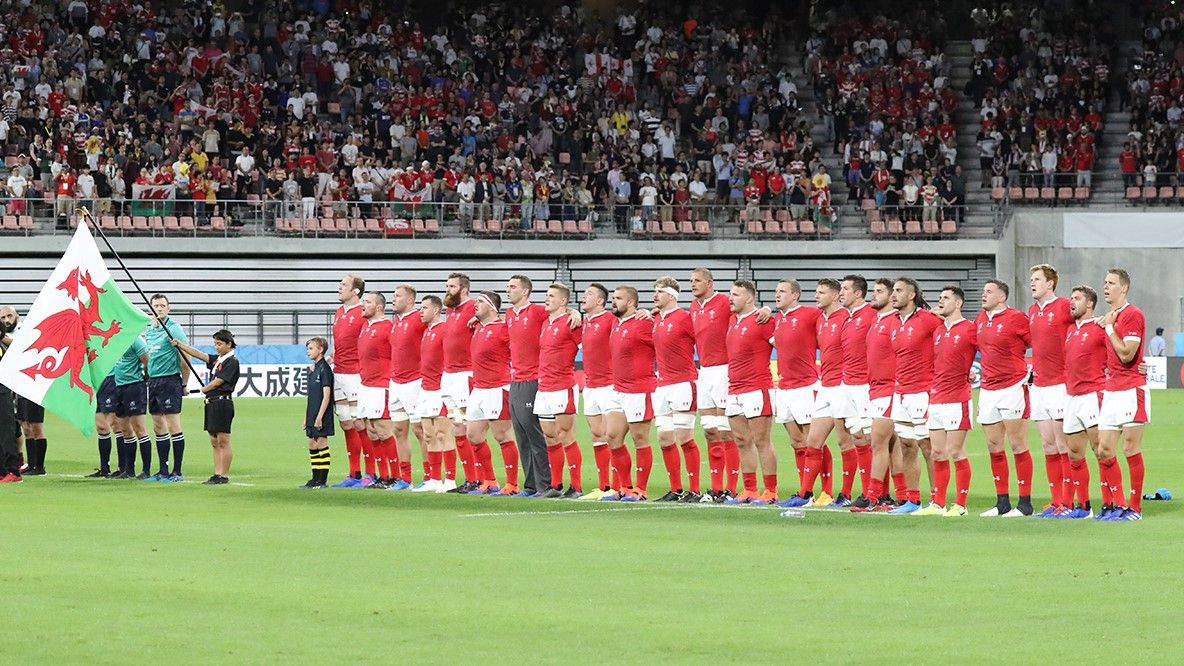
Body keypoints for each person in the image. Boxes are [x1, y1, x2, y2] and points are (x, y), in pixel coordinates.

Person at [915, 286, 977, 516]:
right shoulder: (939, 330)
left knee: (956, 451)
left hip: (958, 398)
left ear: (958, 303)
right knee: (937, 453)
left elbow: (989, 351)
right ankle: (938, 503)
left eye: (946, 298)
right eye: (939, 297)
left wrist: (972, 371)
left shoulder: (970, 329)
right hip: (937, 397)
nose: (940, 301)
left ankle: (960, 504)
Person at [975, 279, 1034, 517]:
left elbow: (1037, 343)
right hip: (988, 389)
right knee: (993, 445)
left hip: (1012, 386)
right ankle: (1002, 503)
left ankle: (1025, 503)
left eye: (989, 291)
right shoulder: (980, 319)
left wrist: (1033, 371)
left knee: (1018, 444)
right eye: (983, 291)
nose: (983, 294)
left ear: (1002, 297)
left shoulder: (1017, 318)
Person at [1095, 268, 1148, 521]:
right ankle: (1118, 505)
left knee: (1129, 448)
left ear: (1124, 287)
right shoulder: (1109, 318)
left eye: (1111, 283)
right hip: (1112, 389)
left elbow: (1127, 354)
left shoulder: (1132, 315)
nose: (1106, 286)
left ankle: (1135, 508)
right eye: (1104, 282)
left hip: (1131, 389)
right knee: (1104, 450)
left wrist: (1109, 328)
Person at [887, 277, 942, 514]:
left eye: (899, 291)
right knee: (906, 445)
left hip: (923, 391)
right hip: (901, 392)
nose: (893, 294)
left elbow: (949, 341)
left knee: (927, 446)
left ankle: (937, 499)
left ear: (911, 295)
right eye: (893, 291)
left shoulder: (929, 320)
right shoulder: (893, 321)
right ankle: (913, 499)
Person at [723, 280, 779, 506]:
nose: (730, 298)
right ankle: (749, 489)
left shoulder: (763, 321)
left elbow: (783, 348)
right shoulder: (732, 320)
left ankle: (771, 491)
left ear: (749, 298)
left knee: (761, 441)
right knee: (741, 440)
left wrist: (767, 309)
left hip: (757, 388)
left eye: (735, 295)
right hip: (734, 388)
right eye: (730, 294)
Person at [851, 279, 903, 512]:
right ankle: (898, 496)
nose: (874, 295)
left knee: (878, 441)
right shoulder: (875, 320)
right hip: (874, 388)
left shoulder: (897, 321)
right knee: (891, 444)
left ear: (892, 296)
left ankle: (872, 496)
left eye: (879, 291)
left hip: (892, 388)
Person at [601, 286, 656, 501]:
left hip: (639, 389)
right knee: (612, 437)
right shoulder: (614, 322)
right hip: (617, 388)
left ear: (631, 302)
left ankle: (640, 490)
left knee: (640, 438)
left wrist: (653, 313)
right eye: (613, 298)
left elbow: (662, 339)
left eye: (618, 298)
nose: (613, 302)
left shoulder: (644, 323)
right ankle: (625, 487)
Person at [1027, 265, 1074, 517]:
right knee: (1047, 445)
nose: (1032, 283)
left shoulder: (1065, 306)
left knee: (1063, 444)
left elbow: (1088, 324)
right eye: (1031, 280)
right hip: (1039, 384)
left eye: (1036, 279)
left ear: (1050, 284)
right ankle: (1056, 502)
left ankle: (1069, 502)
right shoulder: (1033, 311)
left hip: (1060, 383)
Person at [803, 279, 854, 506]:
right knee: (813, 441)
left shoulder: (845, 317)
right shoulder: (818, 319)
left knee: (845, 442)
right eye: (816, 291)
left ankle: (845, 494)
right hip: (825, 385)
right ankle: (805, 494)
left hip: (844, 386)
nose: (816, 296)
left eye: (821, 292)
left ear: (834, 296)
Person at [650, 277, 699, 502]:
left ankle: (695, 490)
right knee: (664, 438)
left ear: (671, 295)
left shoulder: (686, 318)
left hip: (683, 383)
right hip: (662, 385)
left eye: (659, 291)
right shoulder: (655, 319)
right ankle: (676, 489)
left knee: (684, 436)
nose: (655, 295)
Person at [1061, 285, 1107, 519]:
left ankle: (1109, 505)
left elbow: (1119, 355)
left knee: (1100, 450)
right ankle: (1084, 506)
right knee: (1074, 452)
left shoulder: (1100, 328)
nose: (1072, 301)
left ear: (1089, 304)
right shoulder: (1070, 330)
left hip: (1093, 393)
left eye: (1077, 298)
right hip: (1072, 396)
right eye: (1071, 298)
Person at [172, 329, 240, 484]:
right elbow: (199, 354)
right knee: (214, 441)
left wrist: (204, 388)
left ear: (229, 344)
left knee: (223, 440)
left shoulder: (232, 361)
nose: (216, 347)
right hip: (211, 402)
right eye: (215, 343)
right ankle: (217, 473)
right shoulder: (218, 360)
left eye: (219, 344)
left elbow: (219, 381)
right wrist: (180, 345)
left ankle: (224, 475)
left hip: (223, 402)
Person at [534, 283, 584, 498]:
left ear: (563, 301)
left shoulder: (572, 323)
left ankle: (576, 486)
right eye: (546, 295)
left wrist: (576, 313)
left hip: (562, 385)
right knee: (549, 436)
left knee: (566, 435)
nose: (546, 298)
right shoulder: (545, 322)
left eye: (551, 296)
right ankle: (556, 485)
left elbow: (587, 348)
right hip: (543, 386)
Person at [466, 291, 514, 495]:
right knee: (473, 435)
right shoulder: (476, 327)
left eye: (479, 302)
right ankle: (489, 481)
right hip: (478, 388)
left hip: (498, 387)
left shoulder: (504, 328)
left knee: (501, 435)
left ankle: (512, 484)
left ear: (491, 306)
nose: (475, 305)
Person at [835, 275, 877, 504]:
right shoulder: (847, 317)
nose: (841, 293)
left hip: (865, 386)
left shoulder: (871, 314)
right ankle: (867, 491)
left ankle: (878, 492)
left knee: (872, 440)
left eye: (845, 289)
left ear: (858, 293)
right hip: (847, 384)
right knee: (858, 439)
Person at [440, 273, 481, 493]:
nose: (448, 289)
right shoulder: (450, 310)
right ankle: (470, 479)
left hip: (466, 373)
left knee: (470, 427)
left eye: (452, 286)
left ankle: (483, 478)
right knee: (457, 427)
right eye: (447, 285)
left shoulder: (474, 306)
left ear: (464, 289)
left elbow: (497, 317)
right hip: (449, 375)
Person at [413, 296, 458, 493]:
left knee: (442, 433)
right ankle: (434, 479)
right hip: (425, 388)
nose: (420, 312)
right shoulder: (426, 331)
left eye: (424, 308)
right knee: (429, 436)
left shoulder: (444, 330)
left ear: (437, 311)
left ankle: (450, 479)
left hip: (441, 388)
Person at [577, 284, 617, 500]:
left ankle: (618, 485)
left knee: (612, 435)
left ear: (600, 301)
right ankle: (604, 486)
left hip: (609, 384)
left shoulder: (610, 319)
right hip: (590, 385)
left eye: (589, 294)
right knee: (596, 435)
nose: (584, 297)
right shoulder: (583, 323)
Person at [503, 276, 543, 495]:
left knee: (533, 431)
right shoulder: (509, 315)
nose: (508, 290)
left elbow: (560, 316)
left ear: (526, 291)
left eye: (512, 287)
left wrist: (574, 312)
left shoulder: (537, 312)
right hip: (515, 379)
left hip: (533, 377)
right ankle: (530, 484)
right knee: (521, 434)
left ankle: (542, 483)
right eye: (508, 286)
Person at [144, 294, 191, 482]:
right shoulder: (149, 331)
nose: (159, 308)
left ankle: (177, 471)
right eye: (156, 305)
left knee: (173, 425)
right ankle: (162, 470)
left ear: (169, 308)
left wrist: (184, 384)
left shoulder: (174, 329)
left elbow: (185, 358)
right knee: (157, 426)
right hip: (153, 381)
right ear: (151, 308)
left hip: (170, 380)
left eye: (163, 305)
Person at [329, 274, 368, 488]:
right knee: (345, 422)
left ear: (356, 291)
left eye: (343, 284)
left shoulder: (363, 312)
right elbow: (339, 344)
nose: (339, 287)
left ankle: (370, 473)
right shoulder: (339, 312)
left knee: (360, 422)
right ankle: (354, 473)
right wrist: (328, 360)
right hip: (340, 372)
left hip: (356, 373)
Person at [386, 284, 427, 491]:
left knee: (420, 430)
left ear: (410, 301)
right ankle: (405, 478)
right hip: (396, 383)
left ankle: (430, 476)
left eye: (397, 296)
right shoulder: (396, 322)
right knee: (399, 430)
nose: (393, 299)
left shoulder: (419, 319)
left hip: (415, 381)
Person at [355, 292, 396, 489]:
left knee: (384, 430)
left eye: (367, 302)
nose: (363, 304)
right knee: (371, 431)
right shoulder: (365, 326)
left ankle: (395, 477)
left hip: (381, 385)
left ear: (379, 307)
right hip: (365, 385)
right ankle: (383, 475)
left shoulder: (388, 327)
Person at [113, 335, 152, 480]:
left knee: (139, 429)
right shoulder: (116, 339)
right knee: (125, 430)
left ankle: (146, 470)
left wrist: (145, 377)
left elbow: (147, 360)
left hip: (134, 387)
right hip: (119, 386)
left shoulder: (136, 339)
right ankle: (129, 470)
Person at [303, 337, 334, 489]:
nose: (308, 352)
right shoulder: (313, 369)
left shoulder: (324, 369)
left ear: (320, 349)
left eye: (311, 348)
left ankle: (322, 480)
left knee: (321, 443)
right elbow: (312, 396)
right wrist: (307, 417)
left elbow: (326, 396)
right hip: (312, 413)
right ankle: (315, 478)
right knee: (312, 443)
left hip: (321, 414)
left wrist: (320, 417)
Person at [0, 308, 21, 483]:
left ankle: (13, 471)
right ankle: (2, 470)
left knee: (7, 431)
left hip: (3, 391)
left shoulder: (3, 347)